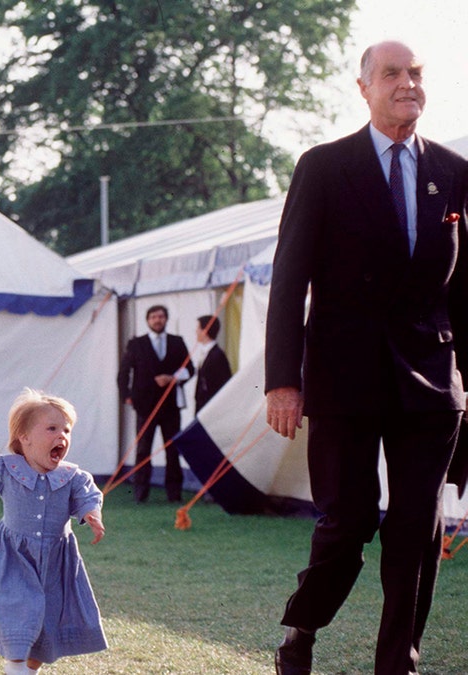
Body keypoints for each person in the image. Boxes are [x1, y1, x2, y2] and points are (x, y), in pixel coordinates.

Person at [265, 41, 468, 675]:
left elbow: (464, 289)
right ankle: (301, 631)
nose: (407, 83)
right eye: (392, 74)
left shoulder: (455, 172)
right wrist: (281, 383)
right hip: (343, 378)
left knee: (416, 528)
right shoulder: (324, 166)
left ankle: (397, 662)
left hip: (430, 385)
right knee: (347, 524)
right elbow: (289, 276)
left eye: (416, 73)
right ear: (364, 88)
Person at [0, 389, 107, 675]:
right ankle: (15, 668)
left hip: (56, 562)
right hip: (15, 559)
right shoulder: (8, 468)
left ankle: (27, 670)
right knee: (18, 614)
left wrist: (92, 514)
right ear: (24, 438)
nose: (61, 436)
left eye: (66, 430)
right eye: (52, 428)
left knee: (47, 622)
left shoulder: (72, 476)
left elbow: (89, 497)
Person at [116, 304, 194, 502]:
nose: (157, 320)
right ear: (148, 320)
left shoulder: (177, 342)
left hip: (170, 406)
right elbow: (124, 372)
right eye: (153, 317)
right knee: (143, 450)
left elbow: (189, 369)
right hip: (145, 405)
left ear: (166, 319)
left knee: (172, 449)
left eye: (160, 316)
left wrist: (172, 378)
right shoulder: (136, 344)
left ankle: (174, 494)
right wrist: (126, 395)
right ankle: (141, 493)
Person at [192, 315, 232, 411]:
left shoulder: (217, 355)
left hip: (211, 408)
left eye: (198, 328)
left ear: (205, 330)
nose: (196, 332)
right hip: (202, 406)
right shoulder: (207, 352)